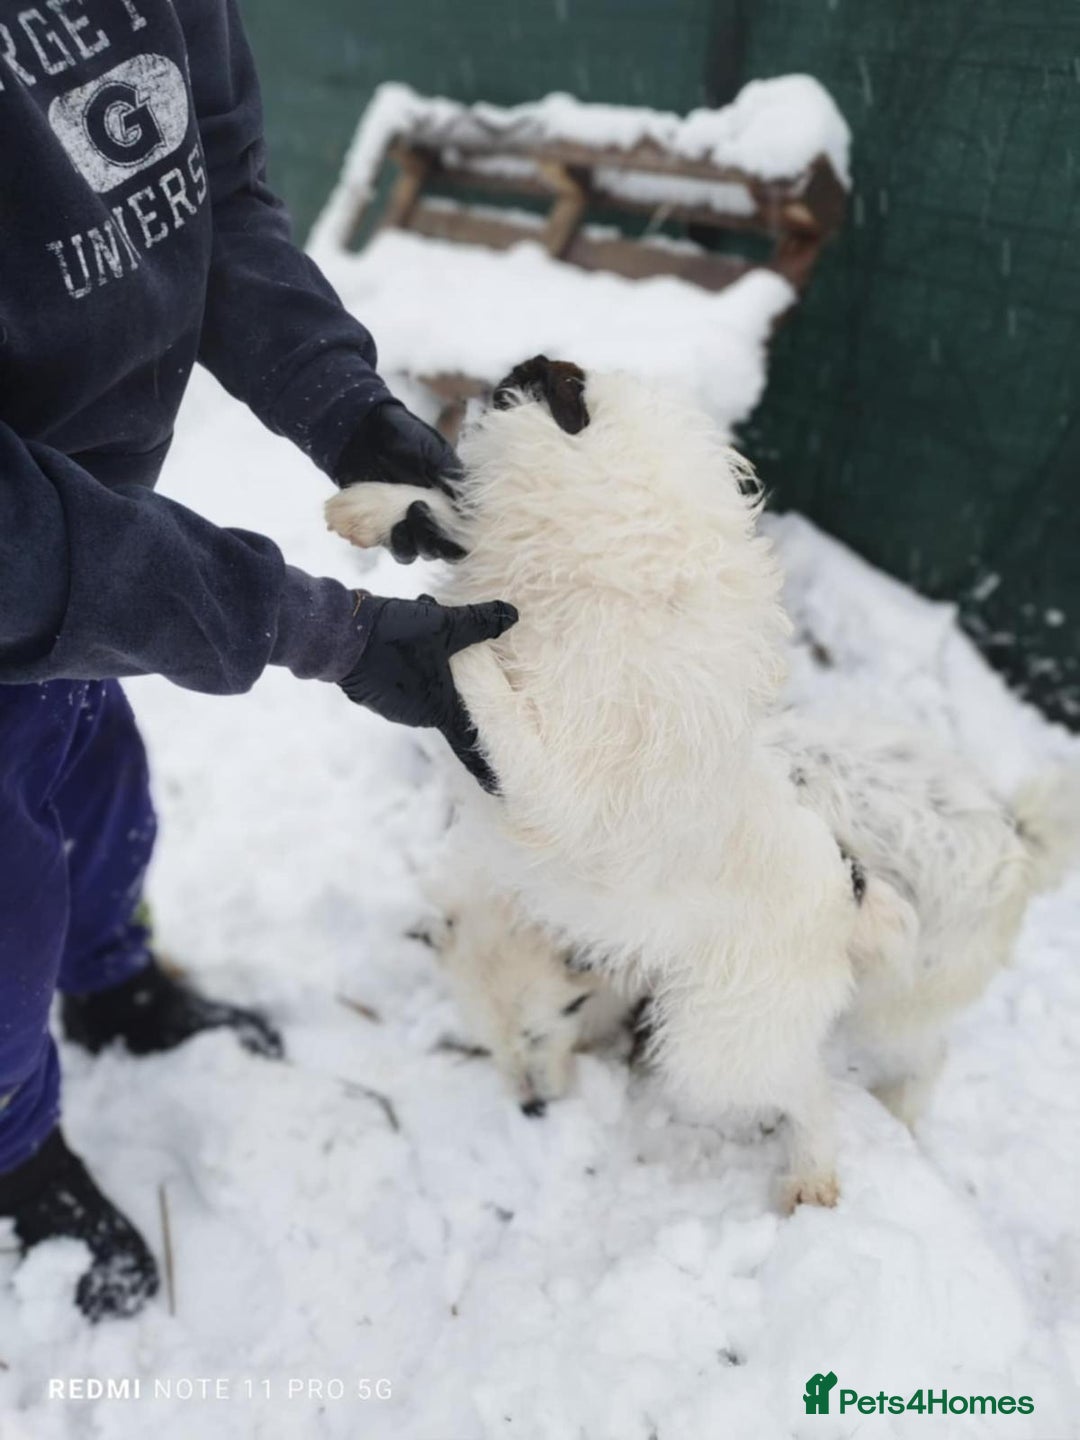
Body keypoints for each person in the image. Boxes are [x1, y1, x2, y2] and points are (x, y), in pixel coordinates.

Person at [0, 0, 516, 1322]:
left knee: (93, 784)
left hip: (78, 529)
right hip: (25, 541)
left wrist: (350, 410)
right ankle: (11, 1150)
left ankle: (111, 982)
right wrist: (323, 631)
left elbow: (205, 188)